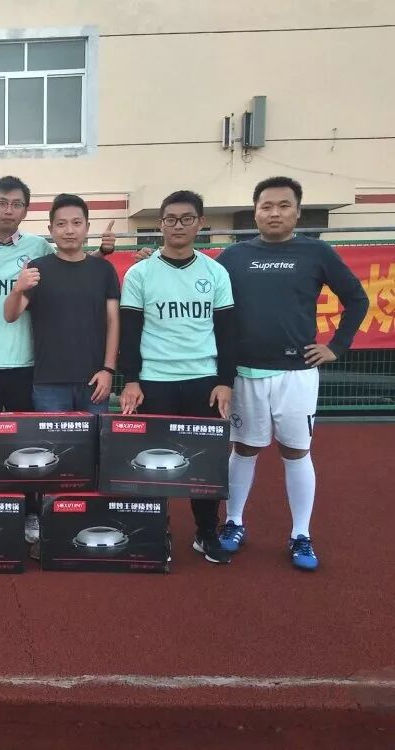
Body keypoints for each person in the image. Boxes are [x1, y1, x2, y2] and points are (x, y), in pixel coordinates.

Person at [216, 176, 368, 571]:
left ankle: (301, 533)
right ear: (255, 212)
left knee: (296, 452)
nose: (275, 213)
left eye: (284, 206)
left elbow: (357, 298)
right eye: (266, 206)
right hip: (245, 373)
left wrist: (337, 346)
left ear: (298, 212)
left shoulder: (317, 252)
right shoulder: (233, 257)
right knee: (243, 448)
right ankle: (233, 522)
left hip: (297, 374)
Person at [118, 190, 237, 565]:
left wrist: (225, 380)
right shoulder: (139, 273)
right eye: (170, 219)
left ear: (200, 223)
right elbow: (129, 332)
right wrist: (132, 379)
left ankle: (206, 532)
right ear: (160, 224)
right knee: (153, 463)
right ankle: (158, 531)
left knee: (205, 463)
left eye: (187, 219)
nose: (178, 226)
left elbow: (227, 332)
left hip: (204, 380)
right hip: (154, 381)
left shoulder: (215, 273)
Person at [0, 177, 118, 412]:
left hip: (31, 366)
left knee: (31, 431)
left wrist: (102, 252)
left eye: (17, 204)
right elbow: (11, 313)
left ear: (25, 210)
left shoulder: (38, 247)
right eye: (2, 203)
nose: (9, 210)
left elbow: (72, 264)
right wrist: (17, 287)